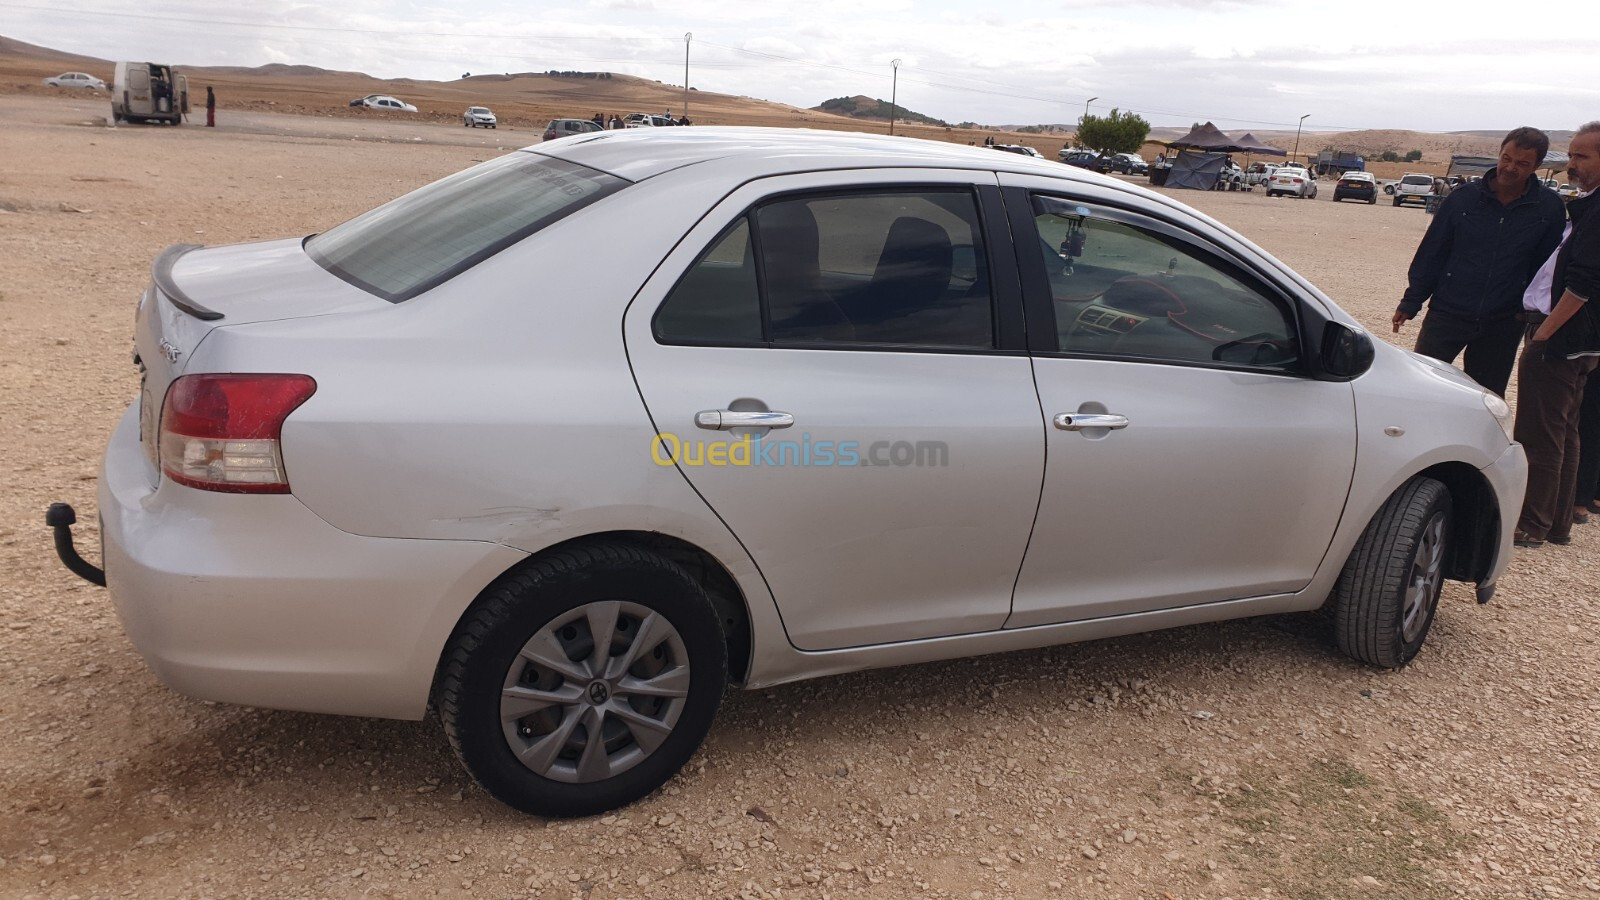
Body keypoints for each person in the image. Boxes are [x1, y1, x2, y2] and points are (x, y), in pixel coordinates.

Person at [1392, 127, 1567, 396]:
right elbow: (1432, 252)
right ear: (1499, 154)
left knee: (1487, 399)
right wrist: (1411, 300)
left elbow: (1544, 269)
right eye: (1506, 158)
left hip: (1503, 321)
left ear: (1537, 166)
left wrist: (1529, 313)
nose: (1510, 168)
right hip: (1447, 314)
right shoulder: (1462, 198)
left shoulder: (1549, 208)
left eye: (1522, 164)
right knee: (1423, 390)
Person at [1512, 121, 1600, 547]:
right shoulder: (1589, 205)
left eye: (1582, 157)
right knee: (1566, 432)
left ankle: (1531, 523)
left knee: (1539, 434)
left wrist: (1544, 337)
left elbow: (1582, 284)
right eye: (1571, 155)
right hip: (1581, 343)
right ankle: (1557, 524)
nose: (1572, 165)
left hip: (1561, 339)